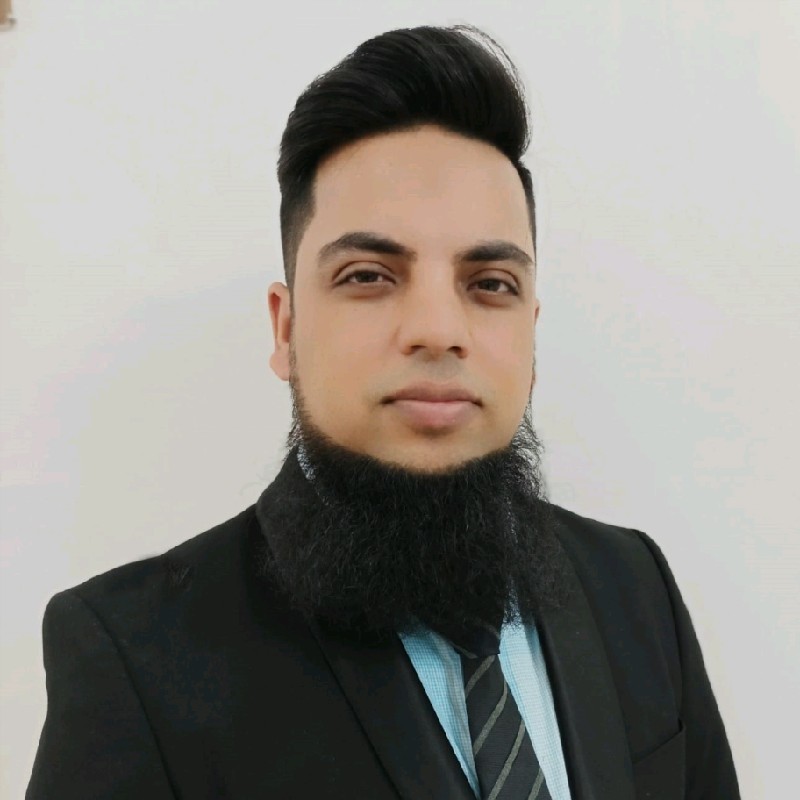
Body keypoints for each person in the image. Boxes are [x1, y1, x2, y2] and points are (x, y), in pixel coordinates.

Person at [26, 23, 739, 800]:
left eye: (490, 284)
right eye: (369, 275)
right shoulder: (136, 656)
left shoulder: (635, 586)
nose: (438, 328)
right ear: (286, 330)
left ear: (531, 337)